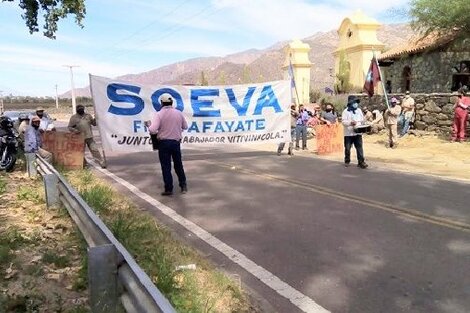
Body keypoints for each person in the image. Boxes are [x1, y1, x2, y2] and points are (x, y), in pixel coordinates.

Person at [146, 94, 188, 196]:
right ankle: (183, 186)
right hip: (176, 143)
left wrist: (148, 125)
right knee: (178, 165)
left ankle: (169, 189)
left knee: (166, 166)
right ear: (172, 102)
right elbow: (185, 126)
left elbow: (152, 129)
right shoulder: (179, 113)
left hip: (164, 144)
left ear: (161, 103)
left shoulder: (159, 114)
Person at [68, 104, 106, 168]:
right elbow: (69, 127)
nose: (81, 109)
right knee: (81, 152)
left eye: (82, 108)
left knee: (95, 149)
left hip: (89, 136)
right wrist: (75, 131)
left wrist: (96, 118)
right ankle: (83, 164)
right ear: (77, 110)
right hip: (80, 137)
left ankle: (101, 162)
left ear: (83, 109)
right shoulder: (73, 118)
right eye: (79, 108)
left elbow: (94, 124)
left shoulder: (88, 116)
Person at [341, 96, 368, 169]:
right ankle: (347, 160)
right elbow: (343, 122)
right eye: (354, 102)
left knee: (359, 148)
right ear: (350, 103)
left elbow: (362, 119)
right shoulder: (345, 111)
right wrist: (350, 123)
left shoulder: (359, 110)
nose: (356, 104)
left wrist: (364, 123)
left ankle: (361, 162)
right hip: (348, 133)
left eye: (356, 102)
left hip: (357, 132)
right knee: (347, 148)